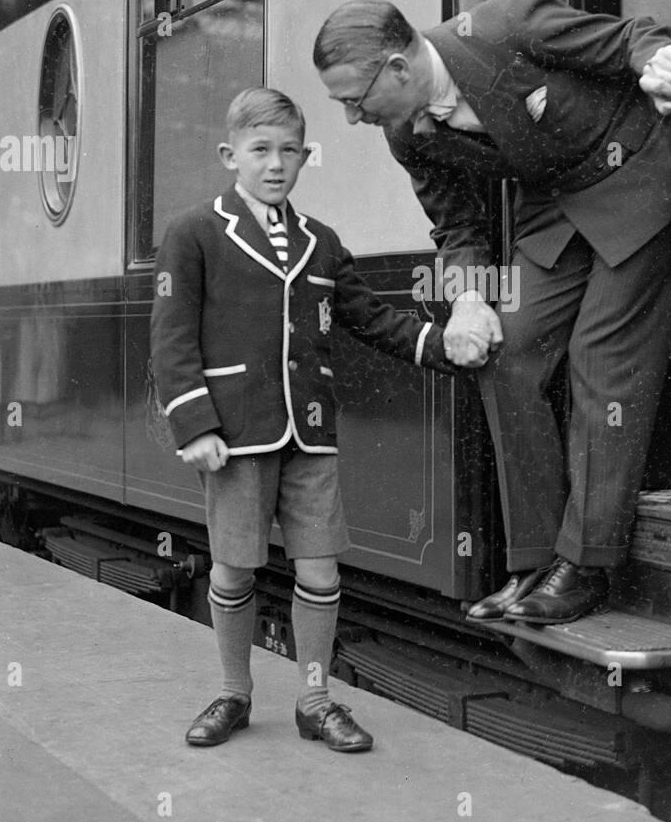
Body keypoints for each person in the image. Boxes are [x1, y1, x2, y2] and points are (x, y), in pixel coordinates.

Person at [313, 0, 671, 625]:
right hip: (554, 207)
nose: (353, 119)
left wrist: (655, 60)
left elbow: (629, 36)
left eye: (355, 100)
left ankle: (587, 564)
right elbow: (457, 227)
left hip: (640, 170)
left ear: (399, 69)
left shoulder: (505, 24)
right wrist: (468, 300)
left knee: (600, 358)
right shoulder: (406, 134)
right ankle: (534, 560)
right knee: (505, 354)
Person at [150, 87, 454, 751]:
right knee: (233, 572)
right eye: (261, 150)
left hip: (310, 434)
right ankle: (234, 691)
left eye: (290, 150)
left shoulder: (321, 241)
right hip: (233, 436)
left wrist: (438, 344)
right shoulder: (194, 233)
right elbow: (172, 339)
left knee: (321, 572)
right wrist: (194, 423)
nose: (276, 163)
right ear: (231, 155)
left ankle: (315, 701)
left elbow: (369, 317)